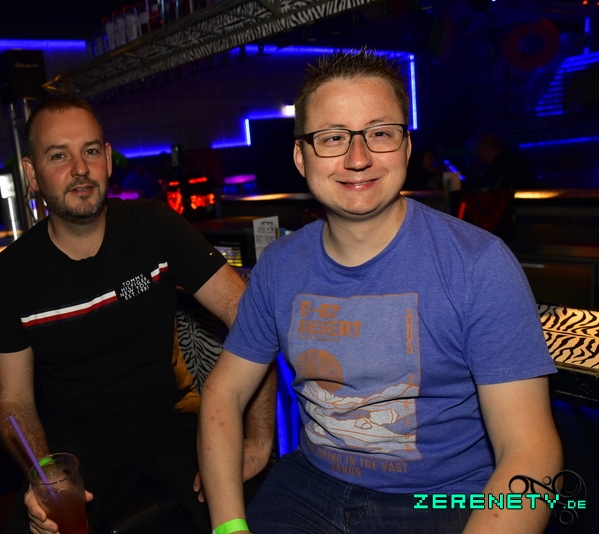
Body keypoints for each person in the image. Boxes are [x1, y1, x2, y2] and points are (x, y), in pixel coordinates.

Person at [198, 49, 562, 534]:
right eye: (332, 137)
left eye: (380, 133)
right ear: (301, 157)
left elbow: (530, 453)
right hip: (310, 487)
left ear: (406, 148)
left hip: (441, 498)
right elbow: (224, 391)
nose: (358, 158)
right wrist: (228, 527)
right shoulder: (280, 266)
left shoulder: (479, 264)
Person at [0, 94, 275, 534]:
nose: (79, 169)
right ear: (32, 174)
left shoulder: (154, 224)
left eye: (90, 151)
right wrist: (43, 475)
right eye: (58, 155)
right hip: (79, 441)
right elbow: (13, 401)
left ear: (107, 160)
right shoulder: (10, 275)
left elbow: (252, 316)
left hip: (170, 420)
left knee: (266, 511)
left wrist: (258, 441)